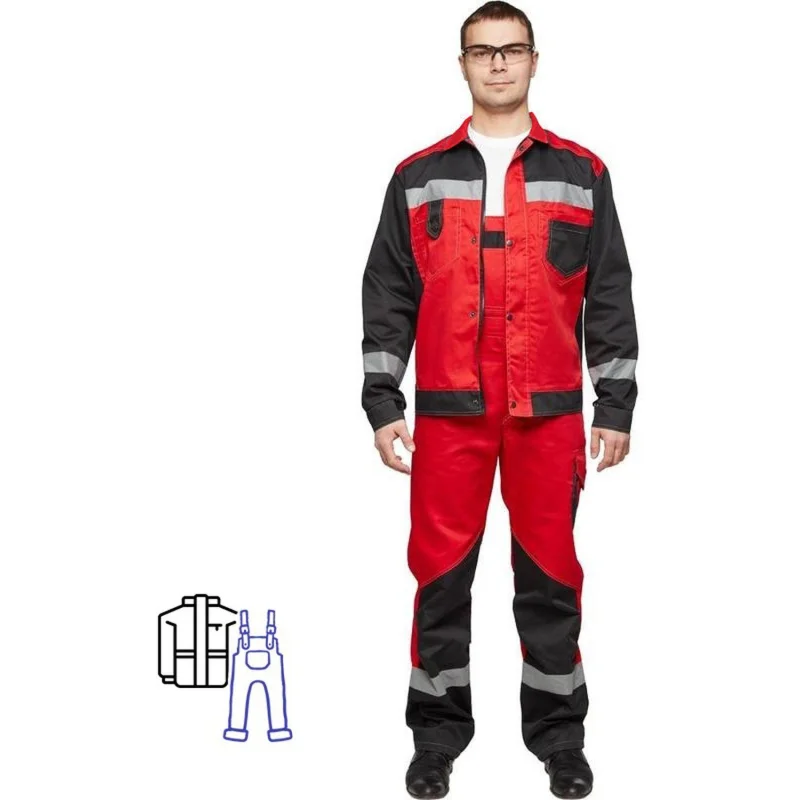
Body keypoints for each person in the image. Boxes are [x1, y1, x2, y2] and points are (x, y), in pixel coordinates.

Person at [360, 3, 638, 797]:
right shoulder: (417, 176)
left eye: (511, 50)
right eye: (482, 52)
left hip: (548, 411)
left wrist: (615, 405)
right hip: (449, 412)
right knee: (440, 578)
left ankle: (559, 738)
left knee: (550, 579)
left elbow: (608, 292)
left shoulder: (582, 173)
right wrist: (383, 402)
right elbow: (388, 294)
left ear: (534, 60)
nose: (498, 64)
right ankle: (436, 737)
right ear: (463, 65)